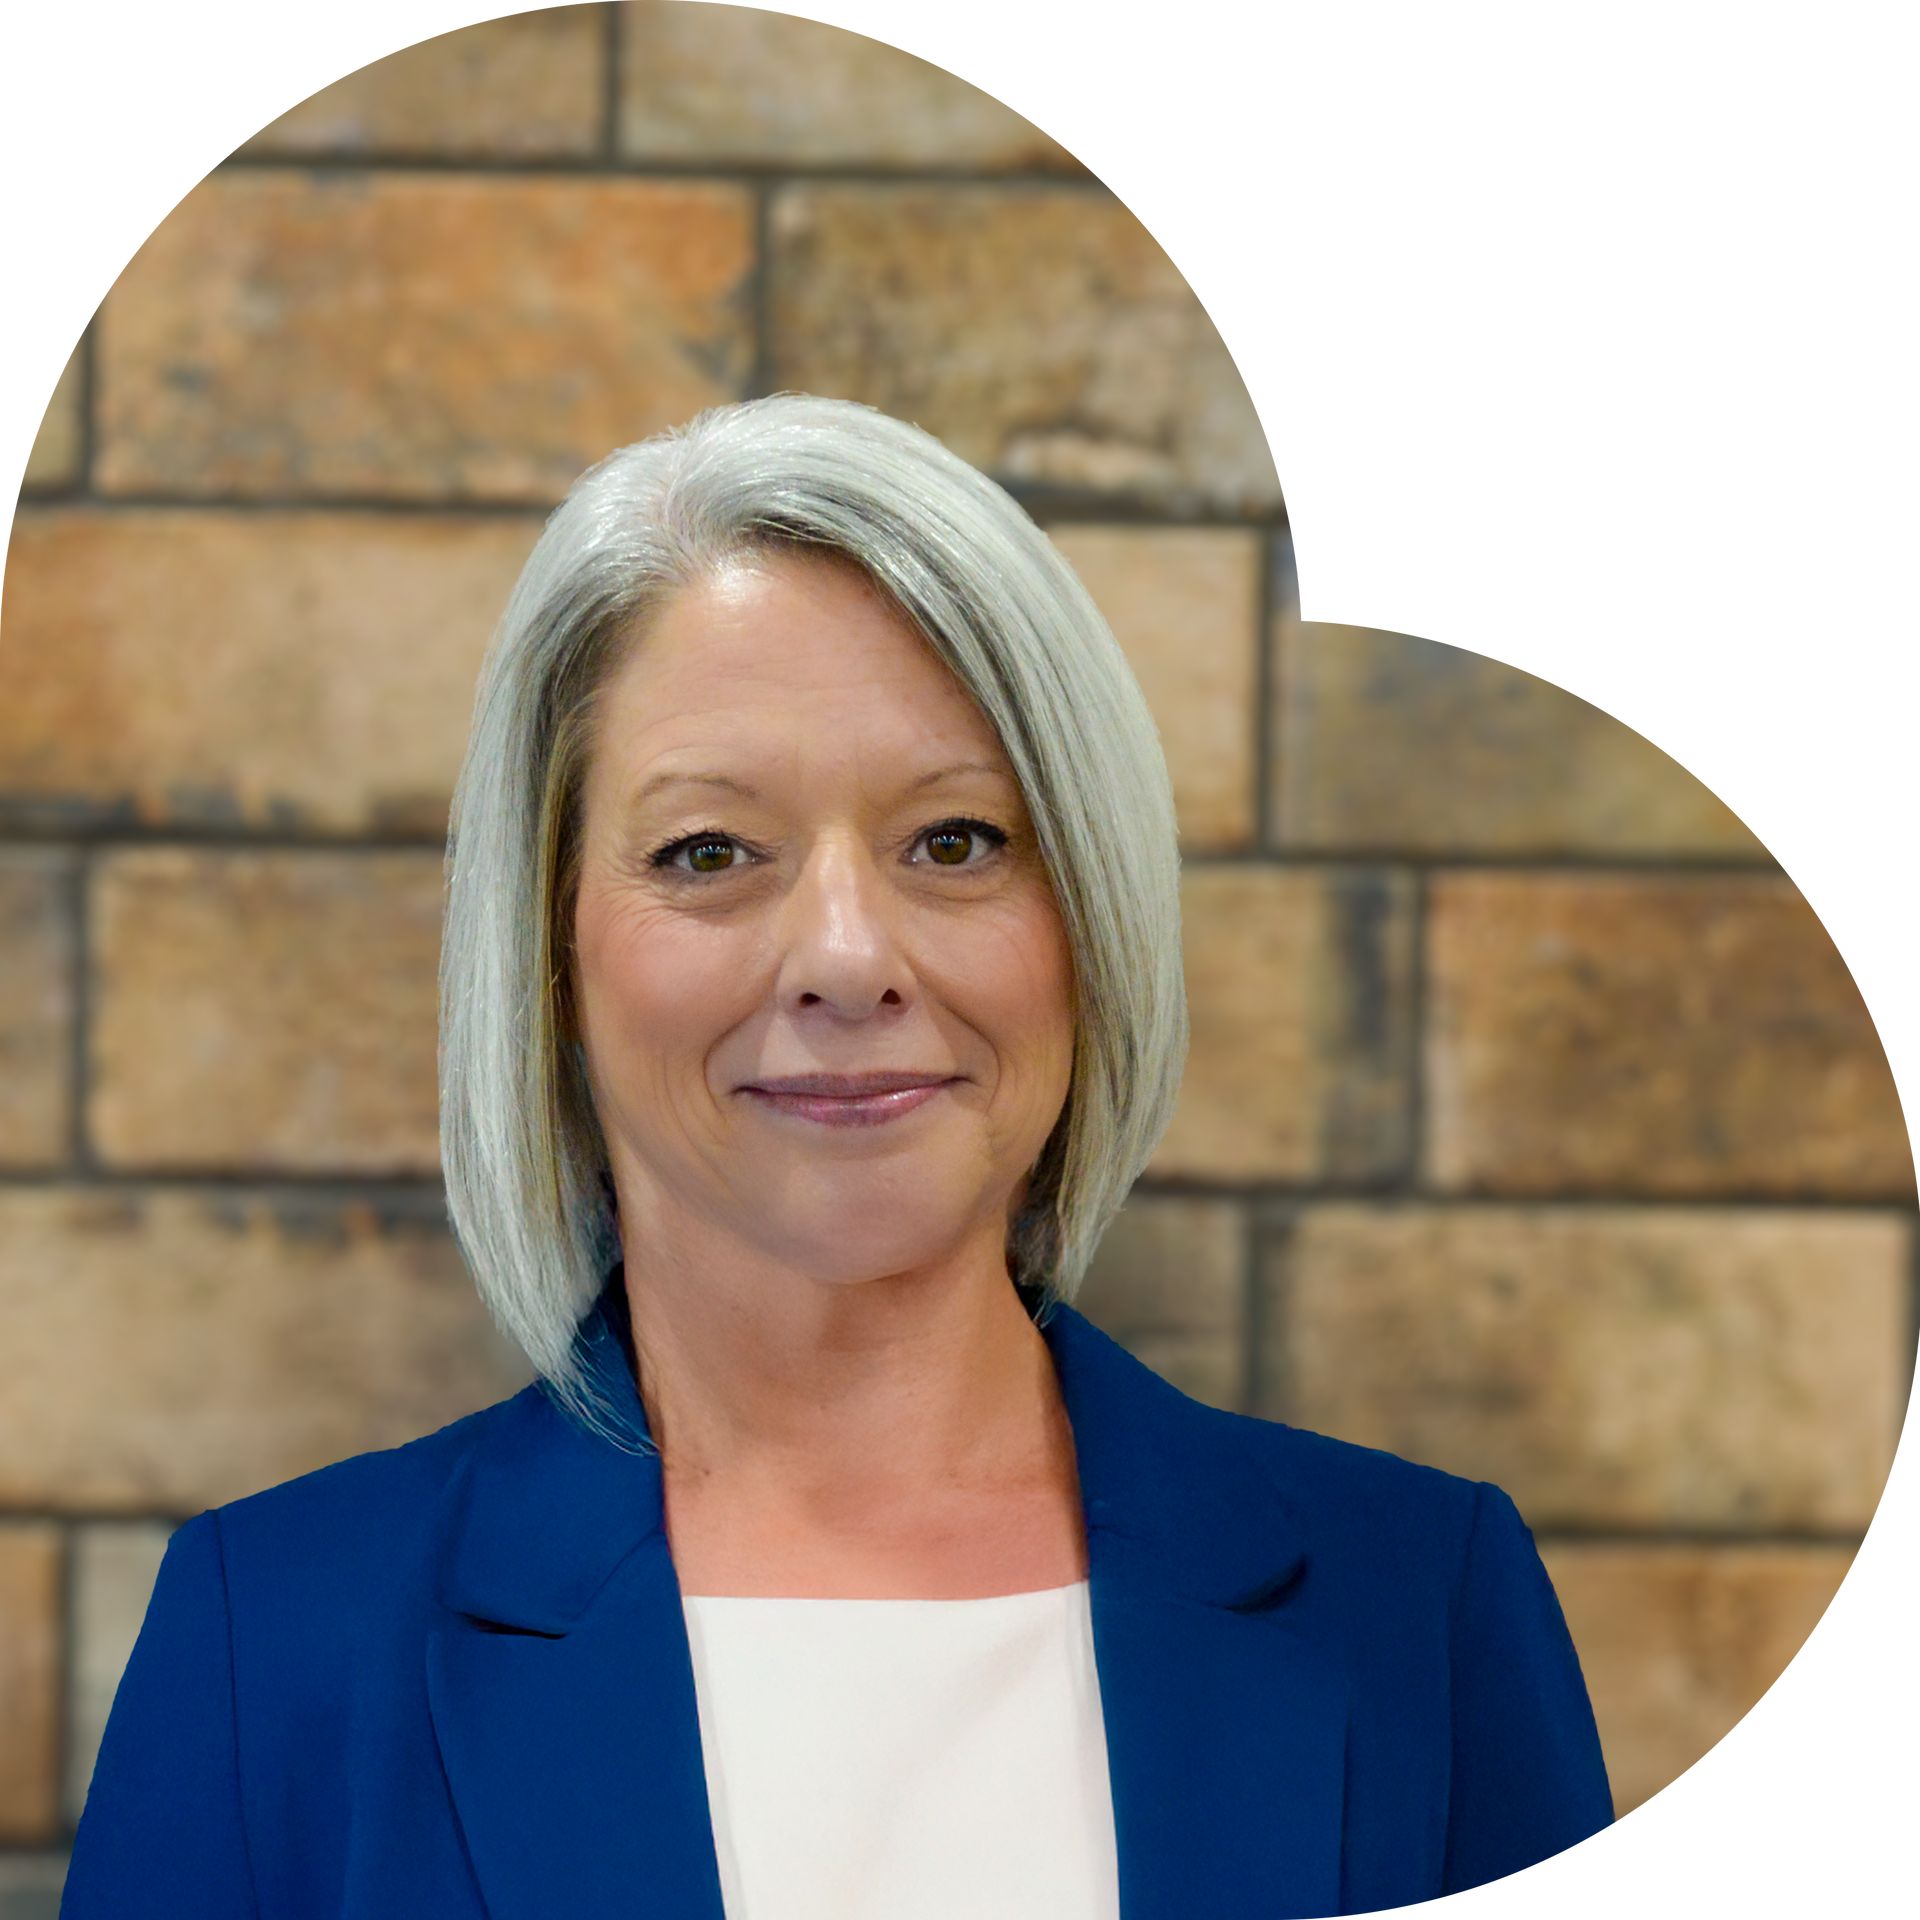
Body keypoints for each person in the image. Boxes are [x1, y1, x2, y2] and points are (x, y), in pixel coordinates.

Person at [62, 395, 1614, 1918]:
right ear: (549, 950)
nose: (848, 957)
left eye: (956, 840)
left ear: (1091, 925)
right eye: (709, 852)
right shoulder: (272, 1645)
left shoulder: (1428, 1609)